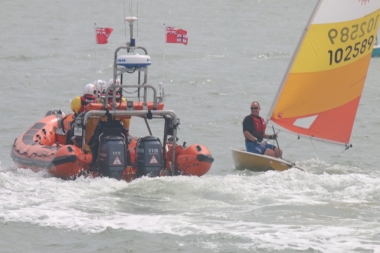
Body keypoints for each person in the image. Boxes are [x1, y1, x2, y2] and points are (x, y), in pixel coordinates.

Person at [70, 83, 99, 152]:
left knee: (70, 133)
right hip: (91, 132)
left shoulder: (78, 100)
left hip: (79, 128)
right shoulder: (97, 103)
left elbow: (73, 108)